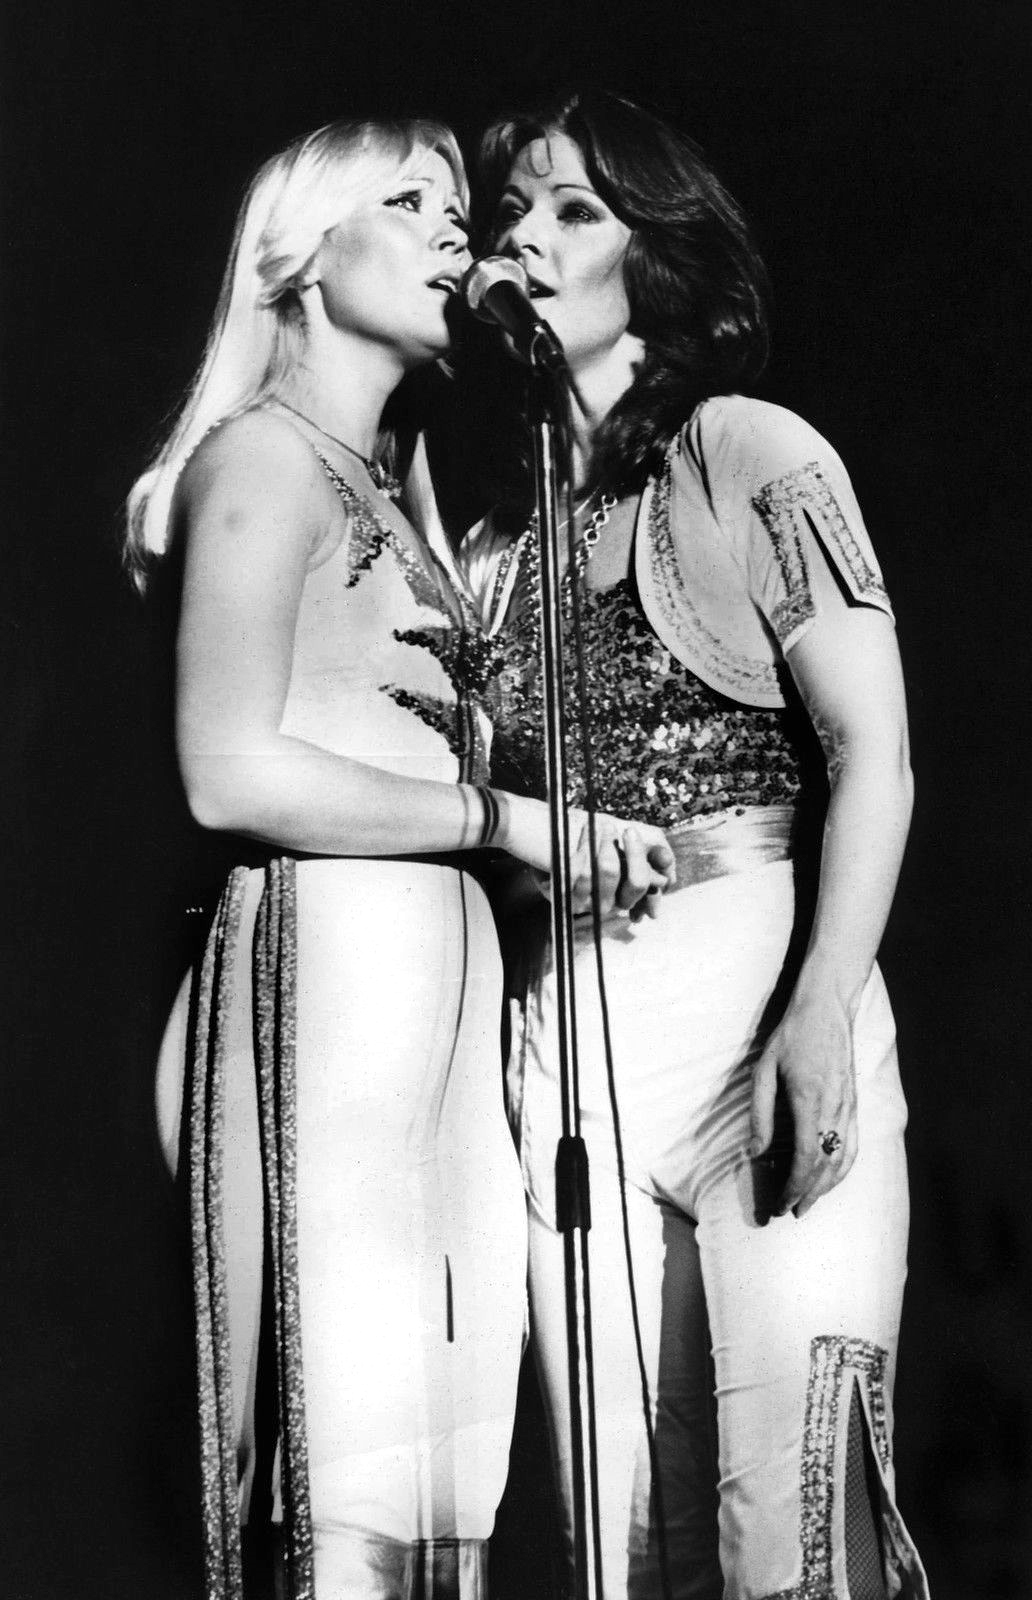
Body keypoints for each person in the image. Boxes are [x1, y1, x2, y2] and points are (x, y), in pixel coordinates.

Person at [126, 116, 672, 1600]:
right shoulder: (262, 458)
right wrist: (506, 823)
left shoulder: (392, 487)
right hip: (329, 987)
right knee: (349, 1486)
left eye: (458, 206)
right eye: (412, 202)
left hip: (437, 1006)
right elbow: (226, 767)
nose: (456, 232)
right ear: (304, 260)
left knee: (445, 1495)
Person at [462, 90, 930, 1599]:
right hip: (572, 1045)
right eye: (511, 210)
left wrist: (821, 1010)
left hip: (757, 1001)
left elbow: (877, 756)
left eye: (576, 210)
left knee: (788, 1528)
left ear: (655, 257)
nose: (527, 238)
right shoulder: (496, 545)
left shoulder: (746, 451)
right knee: (623, 1552)